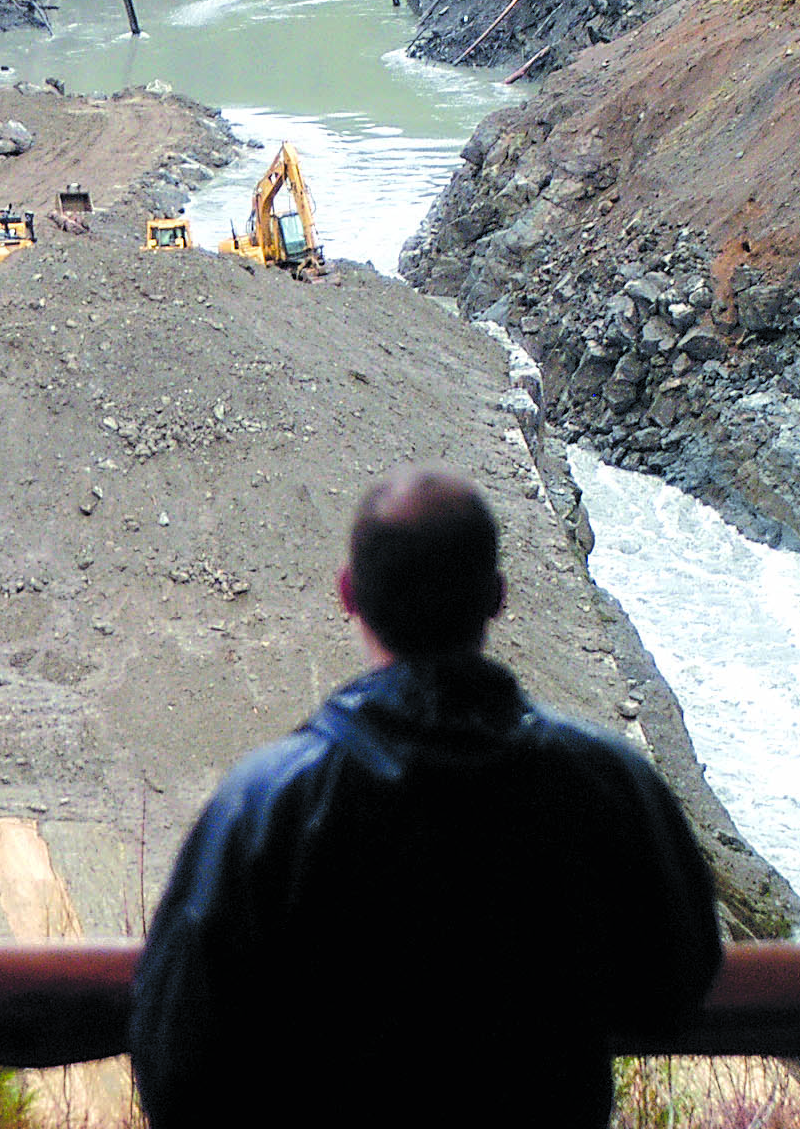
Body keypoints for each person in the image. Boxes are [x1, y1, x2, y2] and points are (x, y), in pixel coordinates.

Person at [128, 465, 720, 1129]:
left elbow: (177, 1062)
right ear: (495, 596)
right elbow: (672, 987)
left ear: (348, 593)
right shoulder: (608, 782)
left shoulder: (264, 803)